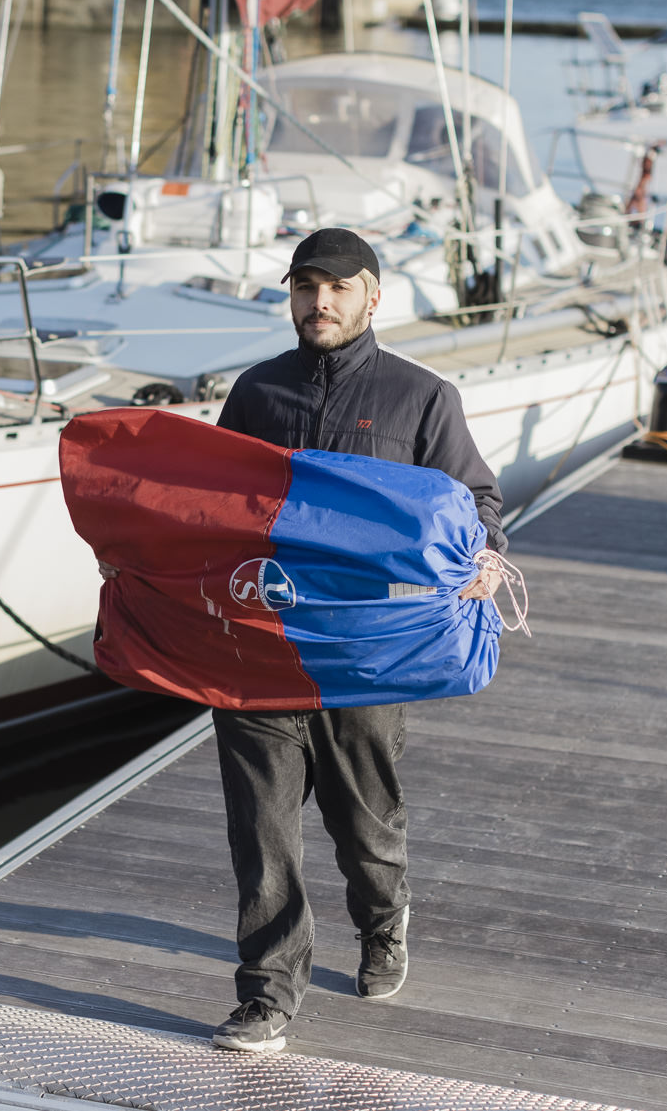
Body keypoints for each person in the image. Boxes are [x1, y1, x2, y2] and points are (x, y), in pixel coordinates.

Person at [206, 226, 505, 1054]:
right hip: (262, 647)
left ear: (373, 296)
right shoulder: (256, 393)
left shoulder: (421, 396)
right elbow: (214, 507)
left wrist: (483, 556)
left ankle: (383, 921)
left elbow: (477, 498)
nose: (319, 301)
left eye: (337, 287)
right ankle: (267, 993)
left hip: (368, 659)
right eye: (305, 286)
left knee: (364, 822)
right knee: (261, 832)